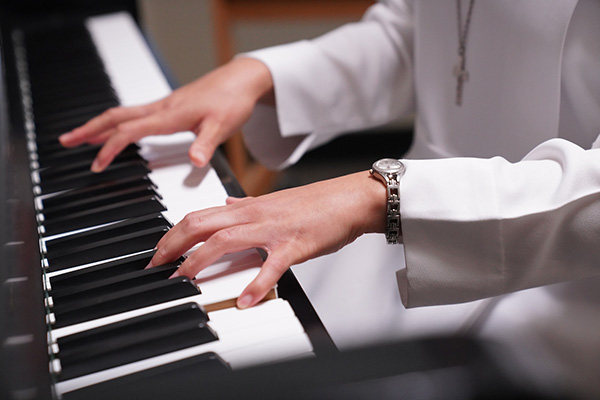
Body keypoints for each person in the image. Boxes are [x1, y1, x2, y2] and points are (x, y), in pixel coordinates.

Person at [59, 0, 600, 397]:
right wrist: (263, 74)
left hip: (562, 296)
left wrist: (373, 198)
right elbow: (421, 31)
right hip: (397, 237)